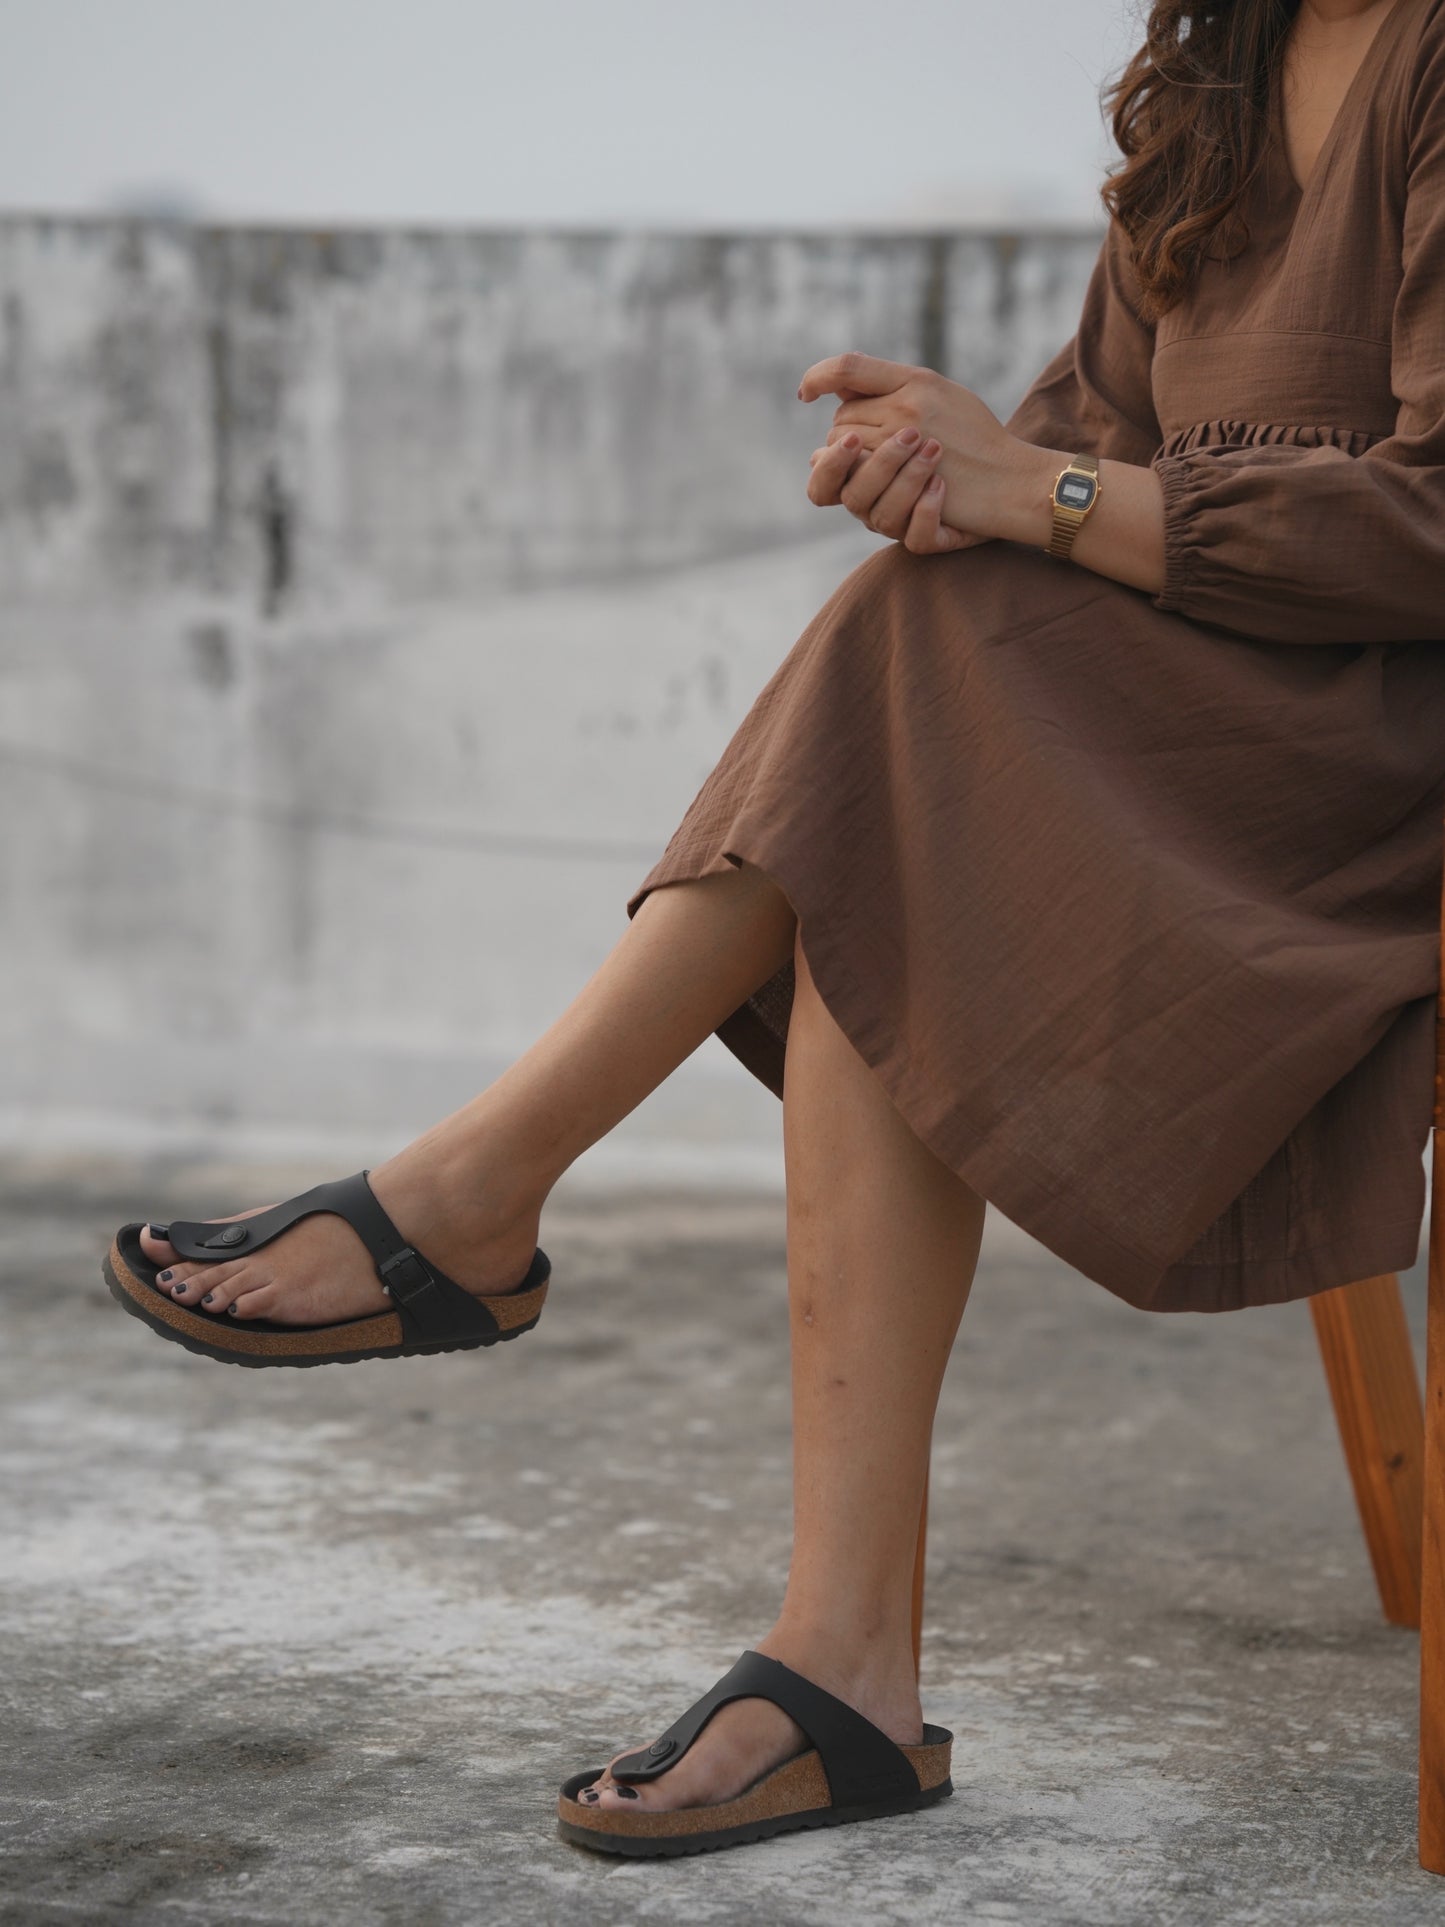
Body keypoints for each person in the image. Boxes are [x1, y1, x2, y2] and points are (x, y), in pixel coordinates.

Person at [102, 0, 1445, 1861]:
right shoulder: (1221, 51)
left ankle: (485, 1212)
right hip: (1215, 730)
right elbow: (1101, 449)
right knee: (906, 736)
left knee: (906, 717)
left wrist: (1036, 492)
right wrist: (967, 461)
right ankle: (834, 1663)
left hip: (1387, 769)